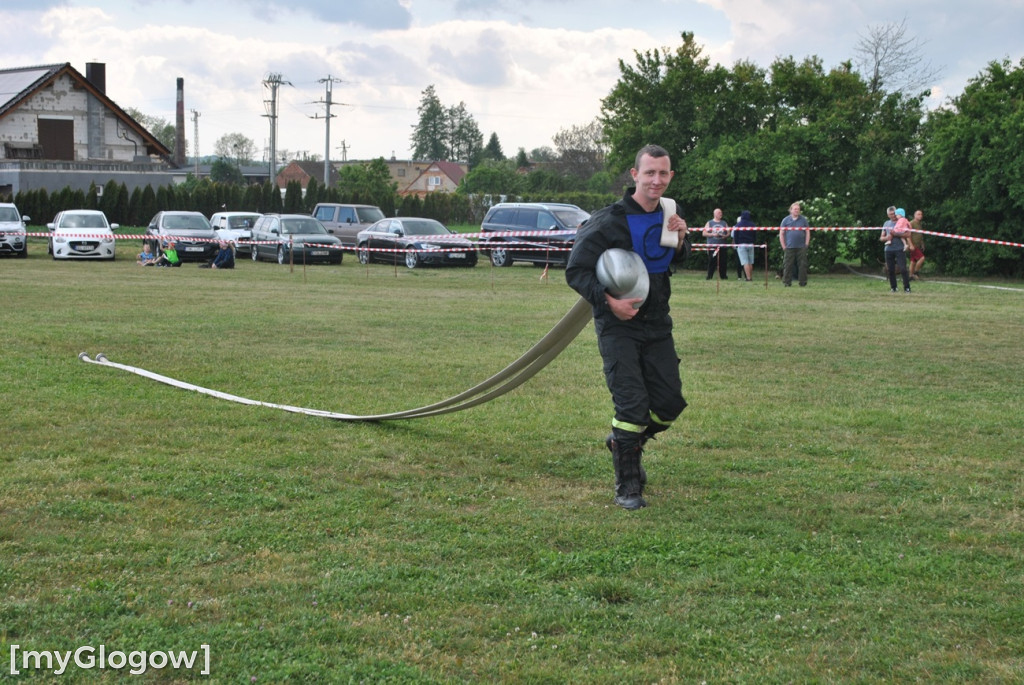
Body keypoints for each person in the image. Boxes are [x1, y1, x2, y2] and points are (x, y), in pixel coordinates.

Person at [566, 144, 690, 511]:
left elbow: (675, 257)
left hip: (658, 325)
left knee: (669, 405)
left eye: (663, 173)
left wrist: (683, 240)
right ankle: (628, 485)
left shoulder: (672, 211)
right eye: (649, 172)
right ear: (635, 175)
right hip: (618, 326)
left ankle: (622, 443)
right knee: (632, 406)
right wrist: (610, 303)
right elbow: (576, 270)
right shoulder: (609, 221)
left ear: (670, 176)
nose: (656, 180)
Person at [779, 201, 810, 286]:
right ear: (791, 210)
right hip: (789, 246)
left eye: (798, 209)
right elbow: (781, 233)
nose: (797, 211)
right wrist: (783, 245)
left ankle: (803, 282)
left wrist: (806, 244)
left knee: (802, 265)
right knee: (788, 265)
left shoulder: (803, 220)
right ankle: (787, 282)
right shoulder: (785, 220)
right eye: (795, 209)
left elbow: (807, 232)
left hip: (801, 246)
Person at [881, 208, 912, 293]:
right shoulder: (886, 223)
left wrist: (896, 234)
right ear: (888, 215)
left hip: (899, 249)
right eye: (891, 214)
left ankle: (907, 288)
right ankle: (893, 287)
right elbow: (881, 237)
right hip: (888, 249)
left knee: (903, 269)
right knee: (890, 269)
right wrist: (886, 238)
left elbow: (908, 233)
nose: (893, 215)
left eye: (894, 213)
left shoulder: (901, 221)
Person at [702, 208, 730, 280]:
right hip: (712, 246)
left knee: (723, 262)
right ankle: (709, 276)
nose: (721, 214)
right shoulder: (709, 223)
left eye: (721, 213)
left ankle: (723, 276)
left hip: (722, 246)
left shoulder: (724, 223)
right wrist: (712, 234)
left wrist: (725, 236)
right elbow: (704, 233)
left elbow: (728, 233)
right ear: (715, 214)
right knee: (712, 261)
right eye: (719, 213)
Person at [732, 210, 757, 282]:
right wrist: (753, 242)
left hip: (741, 245)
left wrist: (736, 244)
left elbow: (735, 236)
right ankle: (750, 276)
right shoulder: (752, 224)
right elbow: (755, 235)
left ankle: (748, 278)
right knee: (750, 262)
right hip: (750, 244)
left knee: (745, 262)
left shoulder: (738, 225)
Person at [908, 209, 926, 280]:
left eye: (921, 214)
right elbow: (908, 235)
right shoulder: (911, 223)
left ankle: (910, 276)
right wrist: (910, 245)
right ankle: (916, 272)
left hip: (918, 245)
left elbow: (920, 234)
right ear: (914, 215)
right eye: (918, 214)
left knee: (913, 261)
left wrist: (922, 244)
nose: (920, 216)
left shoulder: (919, 224)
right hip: (913, 245)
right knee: (922, 258)